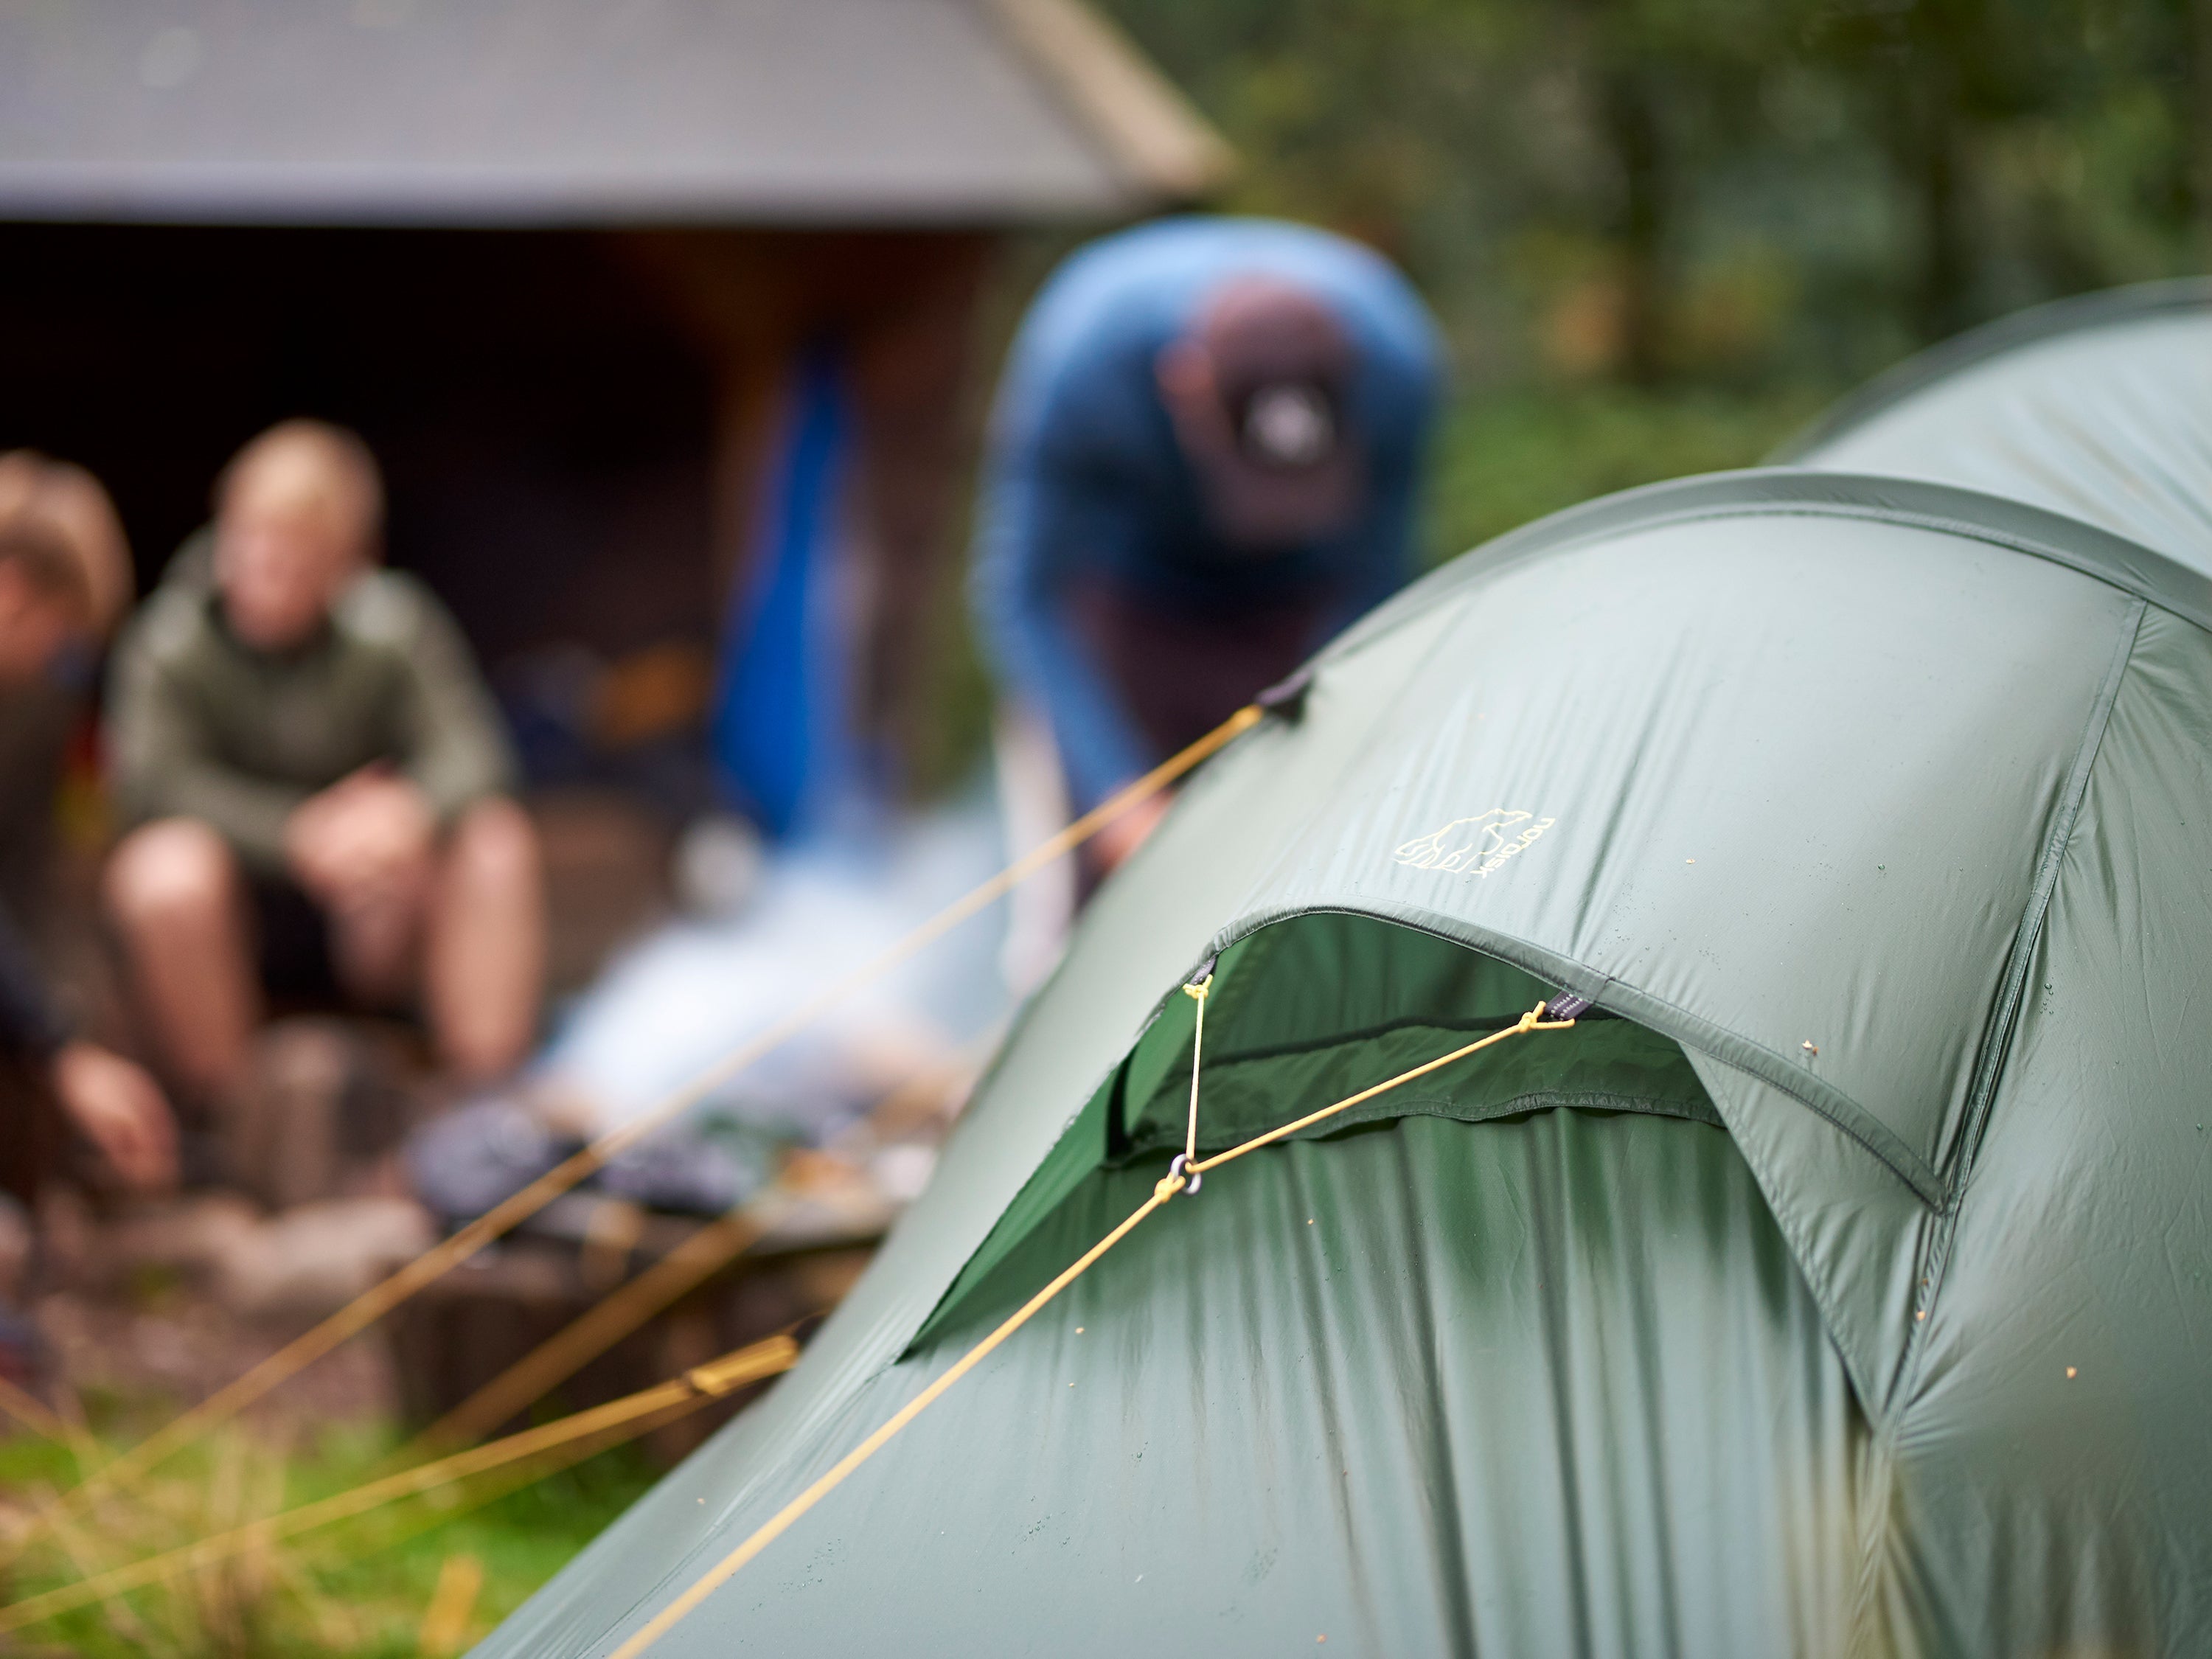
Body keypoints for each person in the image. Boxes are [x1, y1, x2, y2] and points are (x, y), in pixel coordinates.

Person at [973, 217, 1444, 879]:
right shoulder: (1083, 348)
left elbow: (1380, 588)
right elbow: (1027, 596)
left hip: (1294, 609)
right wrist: (1117, 797)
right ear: (1183, 384)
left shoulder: (1396, 361)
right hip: (1129, 606)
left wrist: (1321, 755)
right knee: (1110, 895)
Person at [103, 422, 543, 1114]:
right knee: (163, 869)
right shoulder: (169, 642)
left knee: (493, 839)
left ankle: (485, 1103)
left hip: (373, 906)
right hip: (242, 914)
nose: (266, 577)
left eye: (296, 562)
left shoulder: (395, 628)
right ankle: (230, 1119)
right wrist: (295, 834)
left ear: (346, 566)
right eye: (251, 548)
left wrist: (407, 813)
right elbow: (149, 785)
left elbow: (475, 752)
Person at [0, 457, 177, 1382]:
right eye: (60, 636)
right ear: (15, 591)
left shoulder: (29, 712)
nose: (57, 664)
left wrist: (75, 1023)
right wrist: (64, 1046)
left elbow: (27, 875)